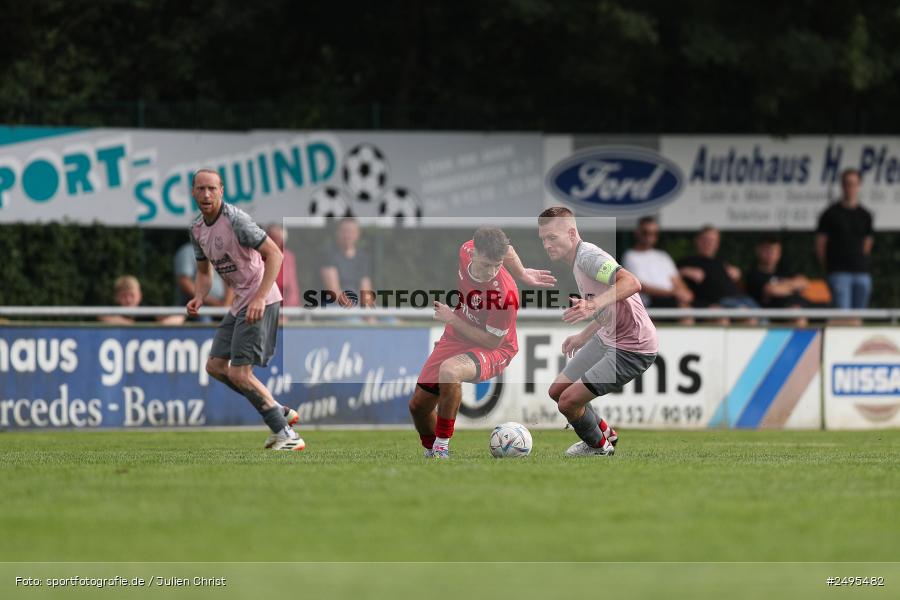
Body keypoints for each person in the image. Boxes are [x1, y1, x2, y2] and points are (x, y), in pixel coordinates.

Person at [408, 227, 556, 459]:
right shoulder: (465, 249)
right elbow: (508, 249)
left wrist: (452, 319)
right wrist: (523, 272)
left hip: (496, 347)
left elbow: (492, 341)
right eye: (487, 264)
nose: (493, 271)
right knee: (418, 406)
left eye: (498, 265)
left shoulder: (506, 296)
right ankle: (431, 451)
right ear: (474, 252)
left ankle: (441, 448)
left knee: (450, 371)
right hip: (457, 335)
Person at [186, 169, 303, 451]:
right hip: (240, 302)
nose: (206, 194)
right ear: (193, 192)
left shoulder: (236, 220)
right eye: (201, 189)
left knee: (239, 373)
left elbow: (275, 254)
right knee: (215, 366)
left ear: (221, 191)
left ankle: (286, 434)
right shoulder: (197, 229)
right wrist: (200, 296)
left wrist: (261, 297)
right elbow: (204, 272)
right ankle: (277, 409)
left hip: (260, 299)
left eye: (212, 188)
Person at [537, 207, 658, 457]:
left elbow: (631, 283)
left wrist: (591, 305)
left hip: (632, 348)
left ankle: (599, 447)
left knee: (568, 402)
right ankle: (605, 431)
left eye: (552, 238)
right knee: (557, 392)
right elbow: (609, 307)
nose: (546, 245)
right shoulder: (578, 261)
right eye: (543, 239)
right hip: (607, 337)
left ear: (571, 233)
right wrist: (583, 335)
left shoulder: (588, 257)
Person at [815, 168, 874, 311]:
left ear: (859, 186)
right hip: (838, 272)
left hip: (861, 272)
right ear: (842, 186)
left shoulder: (865, 215)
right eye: (847, 184)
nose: (850, 188)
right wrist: (828, 267)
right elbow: (820, 244)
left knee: (860, 314)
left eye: (854, 184)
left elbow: (868, 243)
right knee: (843, 314)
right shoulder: (830, 213)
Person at [678, 225, 758, 324]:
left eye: (713, 241)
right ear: (697, 241)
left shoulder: (722, 262)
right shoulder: (687, 262)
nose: (709, 244)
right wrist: (683, 271)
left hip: (740, 301)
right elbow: (673, 281)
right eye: (705, 240)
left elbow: (738, 284)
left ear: (717, 244)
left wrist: (738, 274)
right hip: (714, 306)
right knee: (736, 317)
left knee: (758, 317)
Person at [622, 216, 694, 323]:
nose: (650, 237)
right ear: (637, 233)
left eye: (654, 233)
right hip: (648, 302)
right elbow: (640, 286)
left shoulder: (663, 256)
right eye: (645, 232)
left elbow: (677, 281)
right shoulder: (630, 256)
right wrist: (672, 293)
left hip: (671, 300)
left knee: (687, 310)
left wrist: (684, 292)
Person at [745, 236, 809, 326]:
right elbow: (772, 290)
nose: (771, 254)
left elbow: (804, 282)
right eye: (767, 250)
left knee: (833, 315)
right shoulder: (754, 274)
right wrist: (793, 286)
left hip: (803, 307)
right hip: (776, 313)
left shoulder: (784, 269)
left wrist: (782, 286)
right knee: (797, 314)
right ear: (758, 251)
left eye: (775, 251)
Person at [319, 217, 374, 312]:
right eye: (344, 231)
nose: (348, 235)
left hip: (358, 306)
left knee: (391, 321)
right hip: (335, 306)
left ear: (358, 234)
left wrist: (369, 313)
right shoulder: (329, 255)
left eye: (351, 232)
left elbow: (366, 289)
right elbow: (334, 292)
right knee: (355, 323)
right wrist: (357, 312)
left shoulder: (362, 257)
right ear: (338, 233)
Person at [174, 241, 233, 322]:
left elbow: (230, 280)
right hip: (197, 306)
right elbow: (184, 282)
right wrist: (214, 303)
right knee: (204, 319)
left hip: (224, 306)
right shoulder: (188, 251)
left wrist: (225, 306)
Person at [99, 275, 184, 325]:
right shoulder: (113, 311)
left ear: (139, 296)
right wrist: (136, 328)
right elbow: (102, 316)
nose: (128, 300)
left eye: (132, 295)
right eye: (124, 296)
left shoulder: (148, 310)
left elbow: (179, 317)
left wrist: (156, 329)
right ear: (116, 297)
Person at [265, 223, 301, 308]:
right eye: (271, 239)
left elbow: (293, 290)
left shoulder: (288, 257)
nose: (274, 243)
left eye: (277, 240)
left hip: (284, 311)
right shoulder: (258, 257)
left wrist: (286, 314)